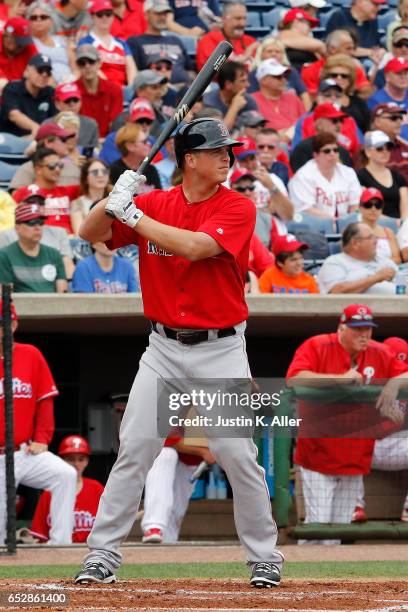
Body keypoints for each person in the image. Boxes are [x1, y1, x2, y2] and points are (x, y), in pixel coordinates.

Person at [73, 117, 284, 588]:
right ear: (190, 160)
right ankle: (102, 554)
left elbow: (192, 247)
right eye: (218, 151)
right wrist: (112, 198)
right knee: (135, 449)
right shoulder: (153, 202)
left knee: (236, 453)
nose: (228, 157)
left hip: (221, 348)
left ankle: (264, 556)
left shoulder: (237, 207)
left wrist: (132, 216)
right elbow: (91, 233)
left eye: (229, 150)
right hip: (162, 349)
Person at [286, 303, 408, 544]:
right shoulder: (318, 344)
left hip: (355, 456)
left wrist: (394, 384)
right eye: (357, 329)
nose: (364, 335)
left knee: (338, 533)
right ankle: (304, 581)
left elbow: (405, 372)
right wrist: (339, 379)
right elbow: (294, 378)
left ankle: (331, 582)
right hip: (318, 454)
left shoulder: (379, 351)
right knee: (317, 529)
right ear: (342, 328)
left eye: (367, 329)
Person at [0, 300, 77, 545]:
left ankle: (59, 547)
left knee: (65, 474)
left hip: (24, 452)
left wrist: (43, 439)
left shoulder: (30, 355)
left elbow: (45, 400)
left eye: (4, 323)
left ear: (13, 324)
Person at [352, 335, 408, 523]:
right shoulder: (365, 374)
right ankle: (355, 507)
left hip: (395, 445)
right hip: (365, 446)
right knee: (346, 439)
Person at [141, 434, 216, 543]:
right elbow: (165, 438)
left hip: (191, 461)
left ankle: (166, 547)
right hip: (163, 450)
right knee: (165, 454)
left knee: (176, 514)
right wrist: (203, 451)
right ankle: (154, 526)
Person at [30, 435, 104, 543]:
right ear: (61, 461)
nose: (76, 464)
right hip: (58, 553)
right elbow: (40, 536)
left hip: (90, 552)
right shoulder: (49, 492)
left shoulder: (96, 488)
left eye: (81, 459)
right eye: (70, 459)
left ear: (87, 461)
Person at [0, 187, 75, 280]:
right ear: (19, 205)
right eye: (30, 203)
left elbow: (68, 267)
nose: (36, 206)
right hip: (19, 287)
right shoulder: (5, 235)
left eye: (40, 203)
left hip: (53, 286)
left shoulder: (59, 232)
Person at [288, 133, 361, 221]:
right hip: (313, 227)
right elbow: (306, 210)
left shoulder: (348, 173)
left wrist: (349, 222)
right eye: (327, 151)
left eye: (335, 150)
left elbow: (355, 204)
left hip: (346, 226)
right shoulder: (303, 176)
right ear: (316, 155)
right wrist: (335, 222)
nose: (332, 154)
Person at [0, 203, 67, 293]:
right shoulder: (4, 255)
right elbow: (7, 296)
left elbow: (62, 295)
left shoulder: (54, 254)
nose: (37, 227)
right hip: (21, 306)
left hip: (52, 305)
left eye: (40, 223)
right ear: (17, 227)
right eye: (31, 223)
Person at [12, 147, 80, 235]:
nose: (57, 169)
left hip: (69, 241)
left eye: (60, 165)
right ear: (38, 169)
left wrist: (79, 166)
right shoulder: (23, 193)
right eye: (52, 166)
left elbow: (97, 187)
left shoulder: (69, 191)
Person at [317, 222, 398, 295]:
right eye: (371, 237)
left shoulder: (385, 261)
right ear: (355, 243)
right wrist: (376, 277)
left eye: (375, 237)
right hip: (355, 310)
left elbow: (402, 284)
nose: (376, 241)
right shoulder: (335, 262)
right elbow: (336, 291)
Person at [127, 0, 193, 88]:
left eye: (165, 14)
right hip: (156, 89)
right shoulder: (135, 41)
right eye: (158, 13)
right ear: (146, 15)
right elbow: (135, 73)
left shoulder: (175, 40)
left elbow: (190, 69)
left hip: (186, 89)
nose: (163, 17)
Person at [77, 0, 137, 89]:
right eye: (100, 14)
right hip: (101, 89)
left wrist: (131, 88)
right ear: (92, 17)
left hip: (125, 90)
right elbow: (91, 69)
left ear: (113, 16)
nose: (104, 18)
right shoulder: (86, 42)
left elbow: (131, 68)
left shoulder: (121, 43)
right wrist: (112, 89)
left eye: (108, 14)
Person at [291, 78, 360, 155]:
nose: (333, 98)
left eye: (337, 96)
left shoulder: (349, 120)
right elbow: (297, 150)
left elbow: (358, 148)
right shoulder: (304, 120)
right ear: (317, 98)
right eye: (328, 95)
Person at [301, 29, 371, 99]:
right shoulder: (311, 71)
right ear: (332, 49)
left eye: (353, 49)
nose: (352, 53)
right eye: (348, 48)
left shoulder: (355, 69)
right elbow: (311, 99)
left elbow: (367, 92)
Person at [9, 123, 78, 191]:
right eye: (63, 140)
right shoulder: (30, 167)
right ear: (48, 143)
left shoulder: (75, 167)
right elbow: (16, 196)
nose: (68, 143)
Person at [0, 54, 56, 138]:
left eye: (48, 72)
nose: (44, 75)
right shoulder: (12, 88)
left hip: (40, 142)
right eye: (40, 70)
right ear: (27, 70)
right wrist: (35, 127)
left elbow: (55, 118)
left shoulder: (50, 92)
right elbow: (14, 115)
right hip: (10, 142)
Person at [74, 45, 123, 138]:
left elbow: (115, 125)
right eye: (82, 63)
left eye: (91, 62)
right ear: (77, 66)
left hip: (107, 141)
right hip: (81, 142)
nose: (87, 66)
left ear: (99, 63)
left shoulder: (114, 89)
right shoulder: (72, 91)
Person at [249, 36, 310, 110]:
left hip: (291, 109)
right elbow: (251, 99)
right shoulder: (254, 74)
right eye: (269, 51)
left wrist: (307, 114)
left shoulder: (291, 72)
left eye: (277, 52)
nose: (273, 54)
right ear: (261, 54)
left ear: (283, 55)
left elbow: (304, 94)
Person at [357, 130, 408, 220]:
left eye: (388, 148)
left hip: (399, 228)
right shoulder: (358, 177)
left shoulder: (398, 177)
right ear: (368, 152)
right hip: (373, 226)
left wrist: (402, 225)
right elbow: (366, 209)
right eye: (379, 148)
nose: (385, 152)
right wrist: (393, 223)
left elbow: (406, 210)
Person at [290, 103, 353, 173]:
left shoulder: (344, 152)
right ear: (319, 125)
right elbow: (302, 179)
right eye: (334, 121)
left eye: (341, 121)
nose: (339, 125)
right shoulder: (304, 149)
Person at [196, 1, 257, 72]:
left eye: (244, 18)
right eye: (238, 18)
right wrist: (244, 58)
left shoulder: (251, 41)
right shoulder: (208, 40)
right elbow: (210, 72)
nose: (242, 23)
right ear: (224, 19)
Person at [251, 59, 305, 139]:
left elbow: (305, 123)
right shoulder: (252, 100)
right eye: (278, 77)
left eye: (285, 76)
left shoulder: (293, 98)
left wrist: (289, 134)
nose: (284, 80)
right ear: (264, 80)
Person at [320, 53, 370, 134]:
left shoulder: (359, 102)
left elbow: (368, 129)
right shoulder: (321, 101)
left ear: (350, 79)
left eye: (344, 76)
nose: (339, 78)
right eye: (334, 75)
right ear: (326, 77)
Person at [202, 60, 258, 132]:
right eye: (242, 81)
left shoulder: (248, 100)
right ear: (228, 84)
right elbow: (220, 134)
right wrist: (234, 107)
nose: (248, 85)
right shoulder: (208, 101)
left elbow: (257, 129)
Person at [27, 2, 75, 84]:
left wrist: (74, 79)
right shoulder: (28, 43)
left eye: (43, 17)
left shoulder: (62, 41)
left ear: (51, 20)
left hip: (71, 85)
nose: (39, 20)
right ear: (28, 21)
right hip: (46, 87)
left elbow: (75, 67)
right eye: (34, 17)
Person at [110, 124, 162, 190]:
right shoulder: (115, 171)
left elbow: (159, 196)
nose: (149, 144)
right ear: (130, 146)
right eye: (144, 142)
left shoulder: (151, 169)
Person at [72, 240, 138, 293]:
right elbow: (84, 302)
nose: (111, 245)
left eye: (114, 241)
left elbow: (133, 297)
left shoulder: (127, 266)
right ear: (93, 243)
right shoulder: (83, 267)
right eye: (105, 241)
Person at [50, 81, 99, 148]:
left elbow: (93, 152)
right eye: (67, 100)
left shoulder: (91, 124)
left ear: (81, 101)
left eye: (75, 100)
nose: (72, 104)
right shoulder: (47, 125)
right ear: (57, 104)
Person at [358, 188, 402, 264]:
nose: (373, 209)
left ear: (382, 209)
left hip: (388, 272)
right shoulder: (352, 231)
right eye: (368, 205)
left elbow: (397, 259)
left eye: (378, 205)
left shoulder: (388, 232)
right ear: (360, 207)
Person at [277, 7, 324, 73]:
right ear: (297, 22)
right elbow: (320, 46)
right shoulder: (284, 34)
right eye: (309, 24)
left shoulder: (304, 41)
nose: (310, 29)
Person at [71, 158, 111, 235]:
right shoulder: (77, 204)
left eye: (104, 171)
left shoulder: (116, 200)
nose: (100, 175)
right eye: (95, 172)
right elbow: (79, 234)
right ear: (86, 178)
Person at [371, 103, 408, 183]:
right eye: (393, 118)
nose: (399, 121)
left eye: (400, 117)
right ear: (377, 121)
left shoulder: (405, 146)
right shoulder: (368, 149)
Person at [0, 17, 38, 90]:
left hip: (21, 92)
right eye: (19, 42)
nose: (23, 46)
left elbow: (40, 66)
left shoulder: (28, 46)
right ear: (7, 38)